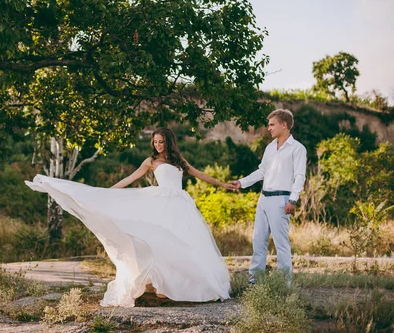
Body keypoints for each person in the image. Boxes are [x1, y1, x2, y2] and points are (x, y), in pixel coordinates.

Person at [25, 128, 233, 307]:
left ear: (169, 142)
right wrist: (108, 192)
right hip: (162, 201)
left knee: (183, 241)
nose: (158, 145)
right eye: (155, 142)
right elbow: (131, 178)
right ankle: (157, 283)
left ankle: (179, 283)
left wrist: (223, 184)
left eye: (161, 142)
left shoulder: (179, 160)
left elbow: (200, 175)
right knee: (159, 240)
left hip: (181, 204)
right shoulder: (151, 161)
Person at [229, 109, 307, 284]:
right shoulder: (270, 147)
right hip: (263, 199)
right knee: (258, 241)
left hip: (282, 200)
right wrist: (241, 182)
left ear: (284, 125)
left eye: (272, 124)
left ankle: (283, 284)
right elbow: (262, 171)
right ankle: (254, 281)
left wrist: (293, 199)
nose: (269, 128)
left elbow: (300, 176)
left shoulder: (297, 148)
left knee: (281, 244)